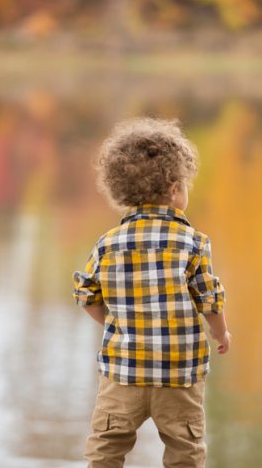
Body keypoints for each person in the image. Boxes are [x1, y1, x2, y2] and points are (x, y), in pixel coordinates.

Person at [73, 117, 231, 468]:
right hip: (179, 375)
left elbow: (86, 294)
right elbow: (210, 299)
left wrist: (114, 323)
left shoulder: (108, 243)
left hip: (122, 374)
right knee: (185, 451)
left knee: (106, 447)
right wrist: (220, 332)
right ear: (175, 188)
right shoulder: (192, 242)